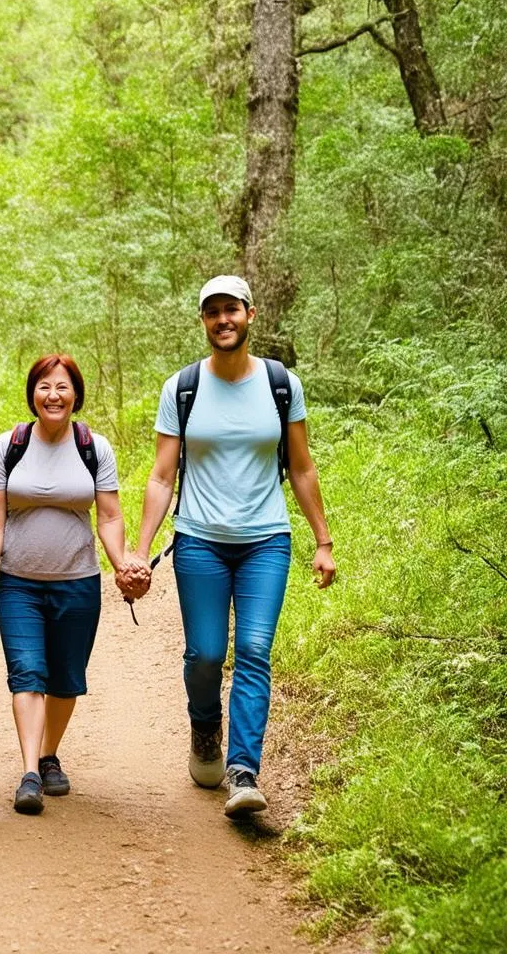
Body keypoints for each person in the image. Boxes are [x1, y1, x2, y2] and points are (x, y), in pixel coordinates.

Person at [125, 274, 336, 818]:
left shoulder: (281, 383)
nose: (223, 320)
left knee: (255, 653)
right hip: (199, 540)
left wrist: (323, 540)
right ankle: (204, 729)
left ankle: (244, 772)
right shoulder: (183, 387)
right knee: (206, 654)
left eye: (232, 310)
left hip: (267, 540)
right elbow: (161, 475)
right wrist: (139, 551)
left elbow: (303, 466)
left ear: (250, 314)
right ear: (204, 321)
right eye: (213, 312)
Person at [0, 354, 142, 815]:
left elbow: (109, 515)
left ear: (76, 395)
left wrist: (121, 565)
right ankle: (30, 771)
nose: (53, 395)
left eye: (62, 387)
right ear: (33, 394)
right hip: (18, 583)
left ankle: (49, 754)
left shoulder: (94, 447)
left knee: (66, 681)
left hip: (78, 582)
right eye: (44, 386)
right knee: (27, 674)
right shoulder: (7, 446)